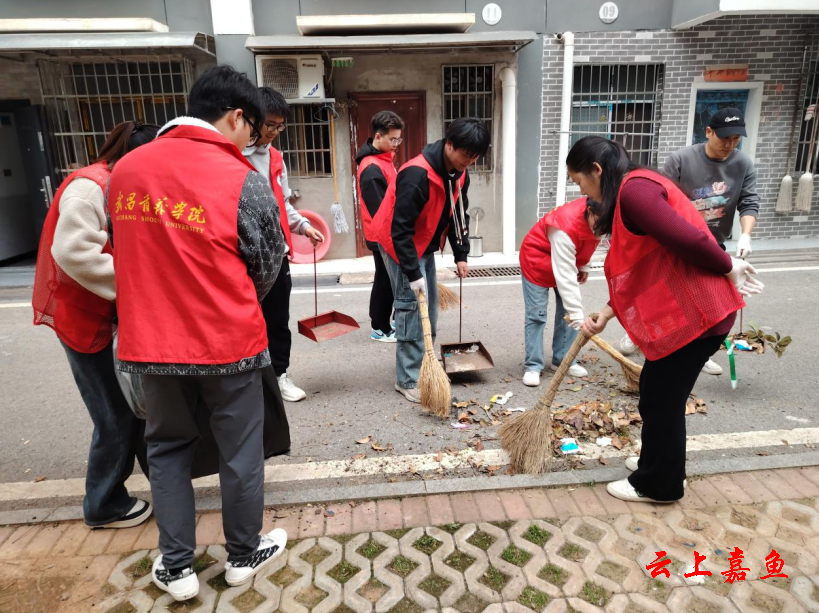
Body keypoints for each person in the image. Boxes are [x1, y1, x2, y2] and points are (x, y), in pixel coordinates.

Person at [109, 65, 288, 601]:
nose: (251, 143)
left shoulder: (126, 171)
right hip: (228, 344)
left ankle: (177, 567)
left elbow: (123, 254)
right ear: (237, 117)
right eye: (252, 132)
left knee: (165, 449)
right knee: (240, 451)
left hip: (149, 344)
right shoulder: (242, 180)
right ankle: (241, 555)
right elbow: (267, 263)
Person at [567, 136, 762, 503]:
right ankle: (660, 464)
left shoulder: (634, 192)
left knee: (661, 399)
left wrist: (728, 265)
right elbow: (649, 269)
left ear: (596, 169)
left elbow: (687, 239)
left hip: (700, 315)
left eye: (579, 182)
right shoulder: (636, 187)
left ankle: (659, 485)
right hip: (694, 315)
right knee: (658, 395)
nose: (583, 191)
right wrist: (608, 313)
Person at [32, 121, 158, 530]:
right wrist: (137, 281)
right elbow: (72, 251)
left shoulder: (118, 182)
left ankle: (161, 481)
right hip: (86, 317)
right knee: (113, 414)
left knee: (135, 406)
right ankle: (103, 504)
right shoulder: (90, 188)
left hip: (109, 312)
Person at [619, 107, 759, 377]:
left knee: (703, 299)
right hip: (676, 242)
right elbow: (660, 197)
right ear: (709, 132)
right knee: (658, 295)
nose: (730, 145)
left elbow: (749, 201)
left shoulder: (743, 164)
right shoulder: (682, 159)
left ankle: (697, 349)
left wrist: (746, 234)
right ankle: (637, 335)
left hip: (712, 245)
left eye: (735, 139)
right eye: (724, 138)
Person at [373, 117, 490, 403]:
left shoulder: (460, 174)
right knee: (411, 309)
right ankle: (408, 378)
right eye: (466, 154)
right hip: (399, 243)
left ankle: (425, 363)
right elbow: (399, 229)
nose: (470, 161)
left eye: (475, 156)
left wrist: (460, 253)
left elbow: (457, 211)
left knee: (430, 311)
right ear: (450, 145)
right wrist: (412, 274)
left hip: (424, 244)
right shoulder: (417, 175)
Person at [243, 87, 325, 402]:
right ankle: (249, 380)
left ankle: (279, 375)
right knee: (248, 319)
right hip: (243, 255)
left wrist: (303, 226)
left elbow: (284, 203)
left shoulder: (276, 158)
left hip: (277, 254)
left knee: (277, 319)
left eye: (281, 126)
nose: (276, 133)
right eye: (270, 126)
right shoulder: (233, 155)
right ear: (251, 120)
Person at [518, 197, 600, 386]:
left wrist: (585, 265)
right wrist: (580, 318)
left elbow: (590, 242)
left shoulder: (603, 218)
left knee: (567, 311)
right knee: (537, 314)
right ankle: (533, 365)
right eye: (599, 221)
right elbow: (565, 278)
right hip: (537, 260)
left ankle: (563, 359)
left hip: (567, 260)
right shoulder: (565, 224)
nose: (603, 228)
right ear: (589, 211)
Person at [355, 110, 404, 343]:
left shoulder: (383, 160)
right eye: (392, 139)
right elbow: (380, 211)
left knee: (387, 279)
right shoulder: (372, 167)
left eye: (398, 139)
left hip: (387, 233)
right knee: (385, 280)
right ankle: (380, 327)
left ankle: (386, 322)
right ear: (378, 136)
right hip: (381, 234)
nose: (396, 144)